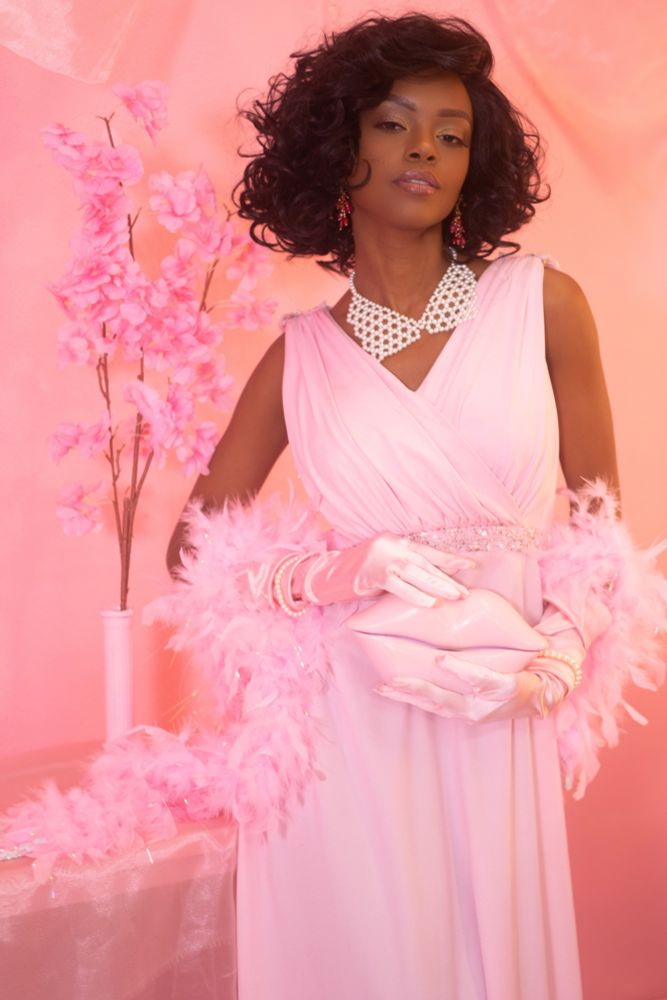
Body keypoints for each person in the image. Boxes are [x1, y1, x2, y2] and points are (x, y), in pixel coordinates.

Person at [163, 12, 638, 1000]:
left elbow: (601, 532)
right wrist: (334, 569)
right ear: (336, 149)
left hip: (491, 701)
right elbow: (189, 554)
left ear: (477, 164)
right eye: (392, 122)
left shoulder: (541, 303)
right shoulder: (300, 356)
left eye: (452, 132)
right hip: (347, 723)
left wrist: (556, 657)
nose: (425, 146)